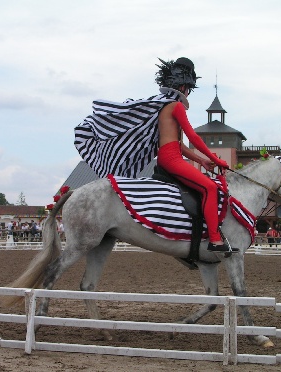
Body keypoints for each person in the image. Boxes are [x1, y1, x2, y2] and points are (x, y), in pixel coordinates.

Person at [74, 57, 230, 252]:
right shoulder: (177, 106)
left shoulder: (163, 108)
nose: (189, 92)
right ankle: (215, 239)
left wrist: (202, 161)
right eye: (188, 88)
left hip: (167, 156)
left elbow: (179, 144)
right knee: (210, 188)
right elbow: (193, 137)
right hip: (172, 159)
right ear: (183, 86)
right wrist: (215, 159)